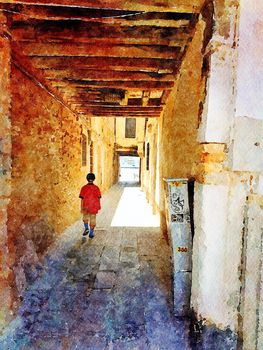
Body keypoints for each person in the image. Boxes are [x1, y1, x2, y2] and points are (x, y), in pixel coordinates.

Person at [79, 173, 101, 238]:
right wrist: (99, 206)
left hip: (85, 206)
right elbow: (99, 197)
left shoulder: (83, 188)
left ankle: (86, 228)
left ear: (87, 179)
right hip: (93, 206)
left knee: (85, 217)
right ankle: (91, 233)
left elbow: (82, 198)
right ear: (94, 179)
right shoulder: (96, 188)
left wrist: (81, 207)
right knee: (93, 219)